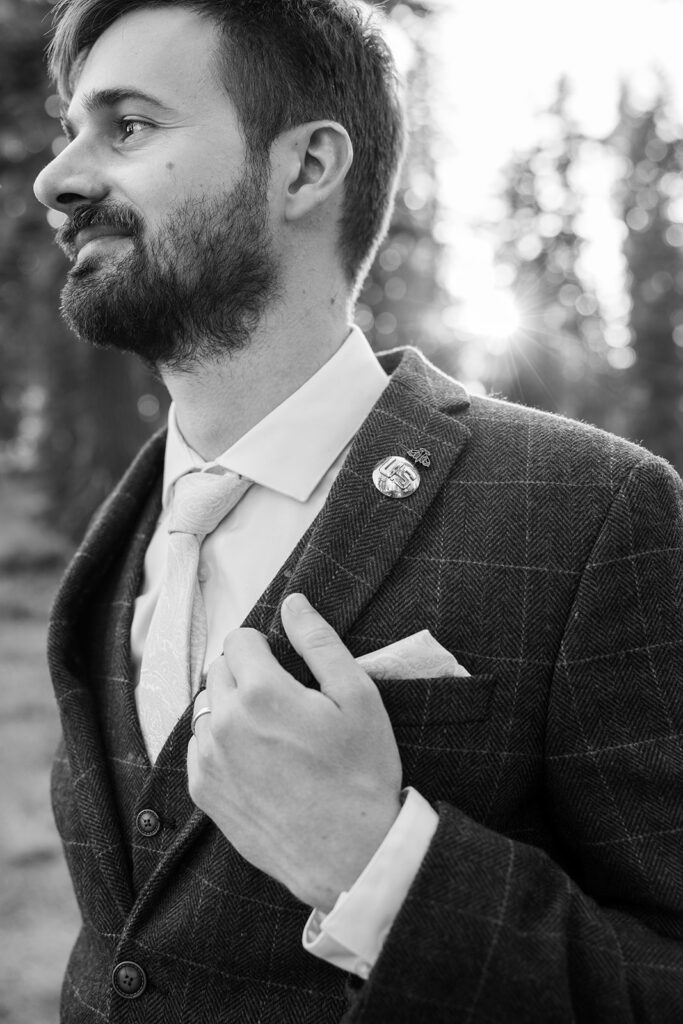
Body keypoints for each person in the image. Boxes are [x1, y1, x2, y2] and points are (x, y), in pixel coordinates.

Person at [34, 1, 683, 1021]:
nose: (57, 178)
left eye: (128, 127)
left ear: (304, 169)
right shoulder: (117, 545)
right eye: (68, 129)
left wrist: (376, 864)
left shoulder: (589, 511)